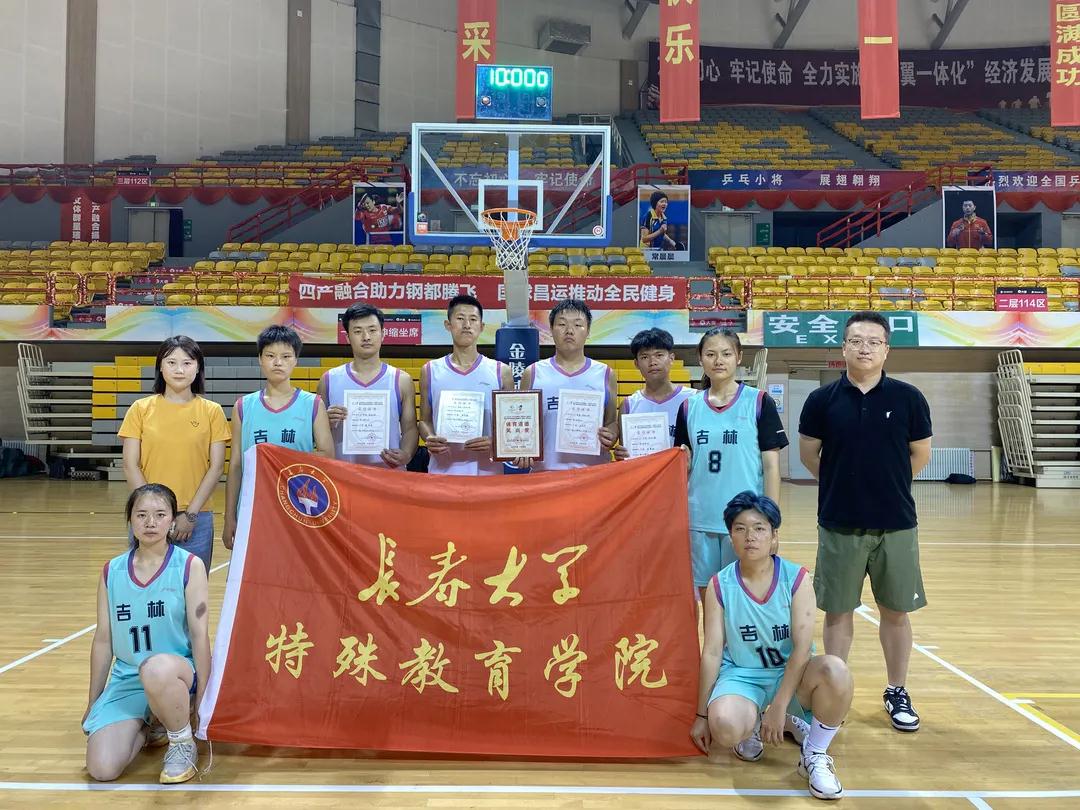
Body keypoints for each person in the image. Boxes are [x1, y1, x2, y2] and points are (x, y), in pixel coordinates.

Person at [798, 311, 932, 733]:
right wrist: (844, 486)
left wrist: (885, 486)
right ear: (843, 347)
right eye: (856, 340)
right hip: (839, 522)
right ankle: (835, 691)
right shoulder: (821, 400)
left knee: (896, 611)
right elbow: (809, 455)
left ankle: (897, 689)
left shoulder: (909, 398)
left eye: (874, 342)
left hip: (896, 523)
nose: (865, 348)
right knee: (838, 613)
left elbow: (920, 455)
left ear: (886, 349)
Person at [690, 491, 853, 802]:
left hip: (790, 674)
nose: (750, 536)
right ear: (731, 537)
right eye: (740, 529)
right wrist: (701, 715)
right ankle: (752, 724)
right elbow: (711, 652)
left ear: (774, 536)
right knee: (724, 726)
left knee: (836, 670)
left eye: (759, 528)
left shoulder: (796, 578)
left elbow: (802, 650)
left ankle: (815, 754)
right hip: (742, 676)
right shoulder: (719, 584)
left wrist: (779, 706)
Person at [83, 483, 211, 785]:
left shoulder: (189, 566)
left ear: (172, 520)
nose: (150, 522)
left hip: (176, 675)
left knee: (154, 667)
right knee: (102, 769)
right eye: (141, 515)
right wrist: (93, 701)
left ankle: (181, 741)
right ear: (130, 520)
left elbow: (200, 636)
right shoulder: (111, 571)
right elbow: (103, 640)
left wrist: (204, 700)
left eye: (160, 514)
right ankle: (151, 722)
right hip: (128, 679)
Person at [674, 328, 787, 593]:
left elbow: (771, 467)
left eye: (726, 354)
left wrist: (770, 522)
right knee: (708, 595)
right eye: (710, 354)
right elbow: (683, 465)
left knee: (744, 595)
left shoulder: (759, 402)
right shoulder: (689, 407)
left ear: (739, 357)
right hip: (700, 517)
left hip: (745, 520)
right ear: (700, 359)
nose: (718, 361)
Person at [119, 336, 229, 574]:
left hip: (196, 518)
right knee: (146, 586)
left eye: (187, 363)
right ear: (160, 366)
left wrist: (190, 515)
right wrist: (154, 513)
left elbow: (217, 467)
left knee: (192, 587)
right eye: (171, 362)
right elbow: (130, 464)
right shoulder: (140, 409)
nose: (179, 369)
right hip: (148, 517)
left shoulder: (212, 411)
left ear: (198, 368)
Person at [223, 325, 335, 548]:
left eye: (286, 356)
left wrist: (281, 459)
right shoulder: (243, 407)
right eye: (270, 356)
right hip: (253, 506)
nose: (278, 362)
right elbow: (235, 465)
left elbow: (327, 456)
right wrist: (229, 517)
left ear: (296, 360)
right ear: (260, 359)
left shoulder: (313, 404)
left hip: (298, 506)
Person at [519, 299, 619, 472]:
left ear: (588, 331)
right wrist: (520, 448)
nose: (569, 331)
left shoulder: (605, 374)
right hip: (545, 473)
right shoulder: (533, 373)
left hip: (594, 474)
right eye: (562, 324)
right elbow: (521, 422)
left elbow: (611, 422)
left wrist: (611, 435)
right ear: (551, 330)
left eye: (578, 325)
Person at [418, 295, 514, 476]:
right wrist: (429, 437)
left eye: (473, 319)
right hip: (442, 471)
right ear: (448, 325)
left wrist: (495, 442)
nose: (467, 325)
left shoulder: (501, 372)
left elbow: (511, 425)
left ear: (482, 327)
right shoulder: (430, 370)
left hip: (487, 472)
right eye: (460, 318)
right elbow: (424, 421)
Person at [317, 303, 418, 469]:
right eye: (358, 331)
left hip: (388, 474)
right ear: (347, 337)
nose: (366, 337)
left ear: (383, 334)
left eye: (372, 330)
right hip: (342, 475)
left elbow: (410, 429)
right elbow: (316, 433)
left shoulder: (401, 380)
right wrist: (324, 422)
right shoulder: (328, 379)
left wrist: (406, 454)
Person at [613, 327, 692, 460]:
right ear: (636, 363)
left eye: (659, 355)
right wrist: (622, 455)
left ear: (671, 358)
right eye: (645, 357)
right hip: (644, 473)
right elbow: (626, 456)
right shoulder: (628, 405)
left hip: (682, 473)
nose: (652, 362)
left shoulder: (692, 399)